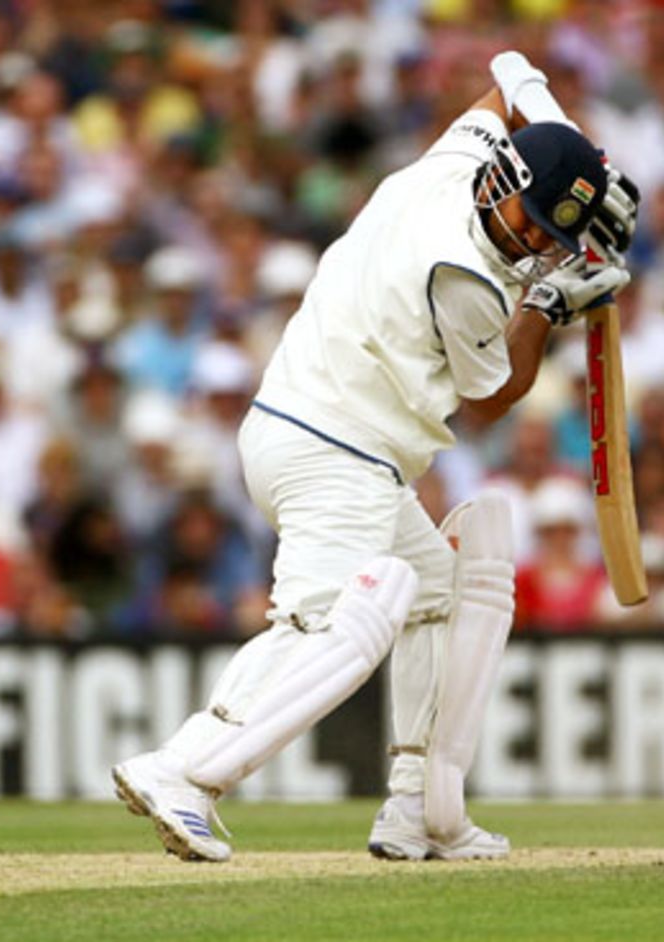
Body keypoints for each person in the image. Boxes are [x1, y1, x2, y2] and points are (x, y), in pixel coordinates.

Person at [112, 51, 636, 864]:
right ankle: (182, 771)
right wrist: (548, 299)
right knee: (341, 620)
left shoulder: (454, 159)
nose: (533, 237)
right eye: (531, 217)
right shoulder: (466, 272)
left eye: (550, 234)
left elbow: (507, 76)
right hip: (335, 446)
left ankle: (422, 810)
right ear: (505, 181)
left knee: (444, 587)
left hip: (321, 434)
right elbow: (494, 395)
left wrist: (572, 143)